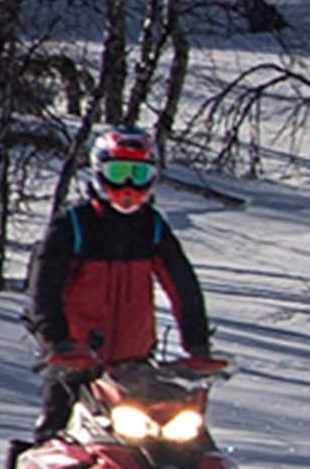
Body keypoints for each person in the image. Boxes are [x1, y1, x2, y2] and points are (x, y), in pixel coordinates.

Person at [23, 123, 219, 439]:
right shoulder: (74, 225)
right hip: (76, 364)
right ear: (99, 172)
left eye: (138, 175)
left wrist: (197, 345)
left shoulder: (152, 228)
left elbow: (183, 285)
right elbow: (45, 287)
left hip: (135, 366)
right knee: (54, 432)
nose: (128, 185)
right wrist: (56, 340)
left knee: (188, 439)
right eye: (119, 172)